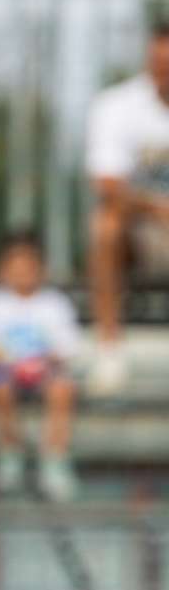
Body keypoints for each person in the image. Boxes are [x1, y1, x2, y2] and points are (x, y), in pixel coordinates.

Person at [86, 23, 169, 395]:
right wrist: (157, 208)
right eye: (159, 63)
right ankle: (109, 349)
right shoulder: (117, 105)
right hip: (141, 232)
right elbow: (107, 184)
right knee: (106, 226)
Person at [0, 231, 81, 502]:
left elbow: (65, 349)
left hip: (46, 372)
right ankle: (9, 453)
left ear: (41, 269)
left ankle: (55, 459)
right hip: (5, 371)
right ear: (1, 270)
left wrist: (40, 364)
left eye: (28, 268)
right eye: (15, 268)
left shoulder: (55, 303)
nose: (21, 275)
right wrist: (10, 362)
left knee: (62, 388)